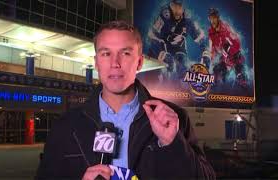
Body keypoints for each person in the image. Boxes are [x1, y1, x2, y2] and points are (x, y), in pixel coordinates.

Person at [35, 20, 215, 179]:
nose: (115, 63)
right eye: (106, 54)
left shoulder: (174, 118)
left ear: (139, 62)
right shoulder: (66, 125)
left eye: (126, 53)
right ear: (96, 62)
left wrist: (173, 144)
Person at [148, 0, 210, 81]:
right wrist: (162, 54)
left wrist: (206, 53)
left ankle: (181, 84)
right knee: (157, 73)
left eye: (180, 5)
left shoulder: (188, 18)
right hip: (161, 47)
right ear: (171, 4)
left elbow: (200, 37)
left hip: (178, 48)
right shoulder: (163, 16)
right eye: (175, 5)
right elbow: (151, 36)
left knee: (182, 63)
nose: (178, 9)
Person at [208, 8, 247, 88]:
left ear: (218, 17)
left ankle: (244, 83)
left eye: (214, 17)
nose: (213, 20)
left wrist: (229, 49)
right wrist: (211, 57)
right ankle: (217, 84)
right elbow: (213, 47)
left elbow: (237, 41)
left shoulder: (226, 28)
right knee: (217, 70)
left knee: (240, 73)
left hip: (234, 56)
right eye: (211, 18)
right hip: (225, 58)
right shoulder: (211, 32)